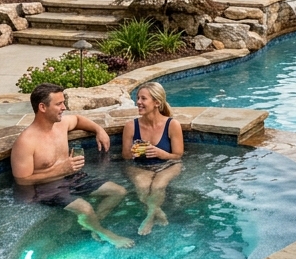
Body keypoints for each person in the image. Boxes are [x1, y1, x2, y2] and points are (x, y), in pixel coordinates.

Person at [11, 82, 133, 248]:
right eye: (59, 104)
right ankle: (104, 233)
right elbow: (22, 180)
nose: (64, 107)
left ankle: (90, 224)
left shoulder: (60, 125)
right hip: (47, 188)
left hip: (72, 177)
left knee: (118, 191)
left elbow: (78, 119)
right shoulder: (26, 142)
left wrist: (99, 130)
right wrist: (58, 170)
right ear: (42, 107)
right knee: (85, 209)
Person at [122, 81, 184, 236]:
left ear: (157, 102)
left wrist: (161, 154)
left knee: (158, 185)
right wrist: (134, 152)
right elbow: (125, 156)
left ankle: (149, 217)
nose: (138, 102)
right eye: (138, 98)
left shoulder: (172, 124)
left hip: (168, 164)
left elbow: (178, 155)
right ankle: (156, 210)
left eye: (143, 99)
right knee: (142, 185)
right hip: (139, 166)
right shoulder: (131, 126)